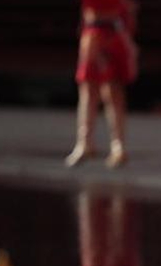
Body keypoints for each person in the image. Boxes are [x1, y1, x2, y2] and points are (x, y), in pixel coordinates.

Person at [67, 0, 138, 168]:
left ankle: (118, 145)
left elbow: (130, 10)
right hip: (92, 33)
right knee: (88, 90)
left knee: (112, 91)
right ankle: (85, 142)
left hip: (112, 33)